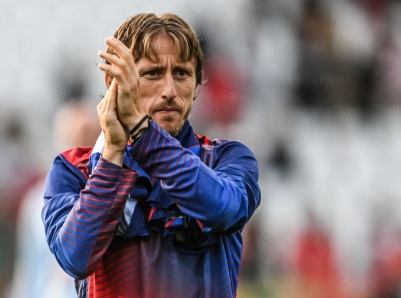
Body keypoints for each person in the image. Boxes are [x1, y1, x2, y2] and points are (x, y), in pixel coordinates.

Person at [42, 12, 261, 298]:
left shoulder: (227, 158)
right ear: (114, 83)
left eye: (182, 73)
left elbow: (224, 208)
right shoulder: (73, 170)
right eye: (152, 73)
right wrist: (112, 156)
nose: (169, 90)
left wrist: (141, 132)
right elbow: (75, 257)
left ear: (196, 84)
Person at [9, 99, 100, 298]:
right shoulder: (35, 203)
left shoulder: (118, 194)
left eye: (91, 136)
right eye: (76, 137)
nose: (82, 148)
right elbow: (29, 268)